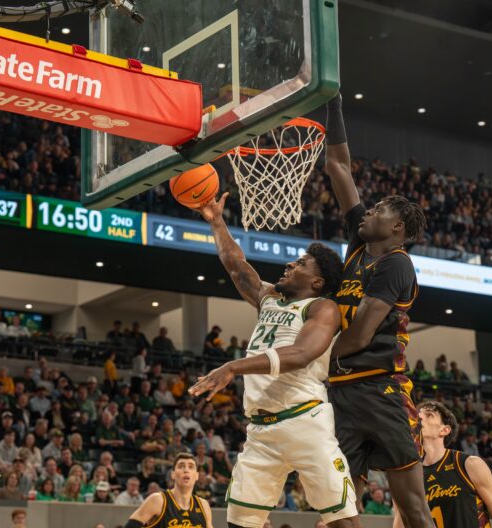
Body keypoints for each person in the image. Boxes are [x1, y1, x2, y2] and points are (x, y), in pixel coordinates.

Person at [189, 193, 360, 528]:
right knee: (240, 523)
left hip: (305, 421)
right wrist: (216, 221)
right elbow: (238, 267)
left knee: (342, 521)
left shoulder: (321, 308)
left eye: (300, 264)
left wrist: (233, 366)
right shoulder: (269, 298)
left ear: (317, 282)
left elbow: (301, 354)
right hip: (261, 432)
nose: (290, 265)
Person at [324, 93, 431, 528]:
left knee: (414, 511)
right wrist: (333, 104)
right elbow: (338, 167)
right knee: (339, 508)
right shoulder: (358, 245)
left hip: (382, 392)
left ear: (398, 228)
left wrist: (308, 355)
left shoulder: (396, 263)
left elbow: (361, 335)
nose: (368, 211)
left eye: (379, 210)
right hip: (342, 394)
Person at [418, 401, 492, 528]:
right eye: (417, 415)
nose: (419, 417)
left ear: (444, 430)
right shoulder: (410, 477)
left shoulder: (469, 465)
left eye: (429, 415)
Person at [124, 453, 212, 528]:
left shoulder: (203, 505)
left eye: (191, 467)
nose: (186, 470)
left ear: (197, 476)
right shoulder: (158, 500)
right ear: (172, 474)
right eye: (181, 466)